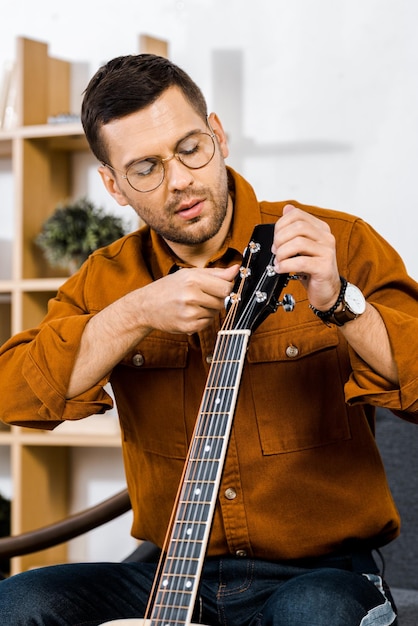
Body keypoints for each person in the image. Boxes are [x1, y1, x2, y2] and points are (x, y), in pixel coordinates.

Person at [0, 53, 417, 626]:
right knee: (18, 604)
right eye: (145, 168)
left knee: (315, 612)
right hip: (169, 573)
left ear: (217, 135)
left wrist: (341, 302)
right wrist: (132, 314)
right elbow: (13, 394)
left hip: (322, 571)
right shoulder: (109, 279)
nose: (179, 181)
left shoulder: (334, 241)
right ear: (113, 185)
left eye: (190, 148)